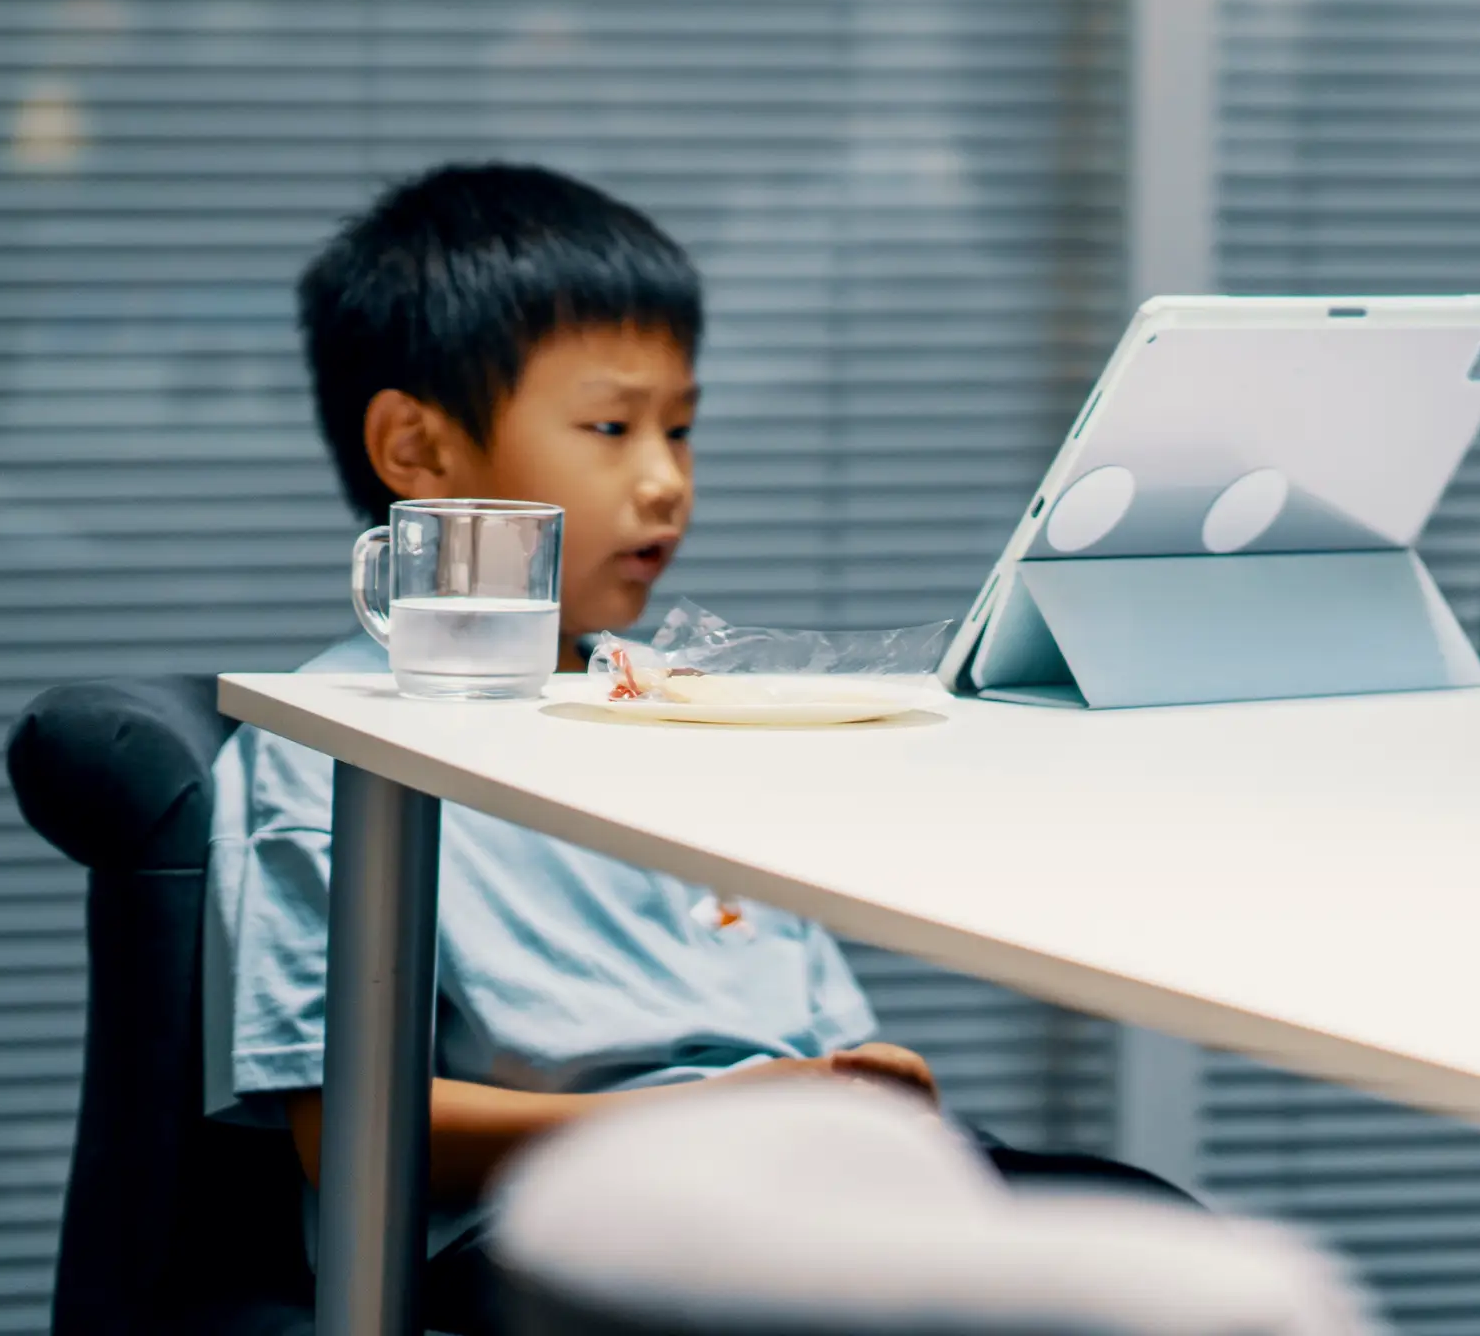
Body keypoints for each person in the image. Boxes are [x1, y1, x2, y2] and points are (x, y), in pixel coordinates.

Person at [206, 162, 1168, 1321]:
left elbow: (818, 1042)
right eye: (611, 427)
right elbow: (353, 1133)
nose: (666, 482)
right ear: (416, 449)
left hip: (791, 1179)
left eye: (683, 428)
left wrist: (853, 1090)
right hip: (548, 1220)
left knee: (1143, 1221)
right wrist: (730, 1109)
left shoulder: (679, 712)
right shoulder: (337, 742)